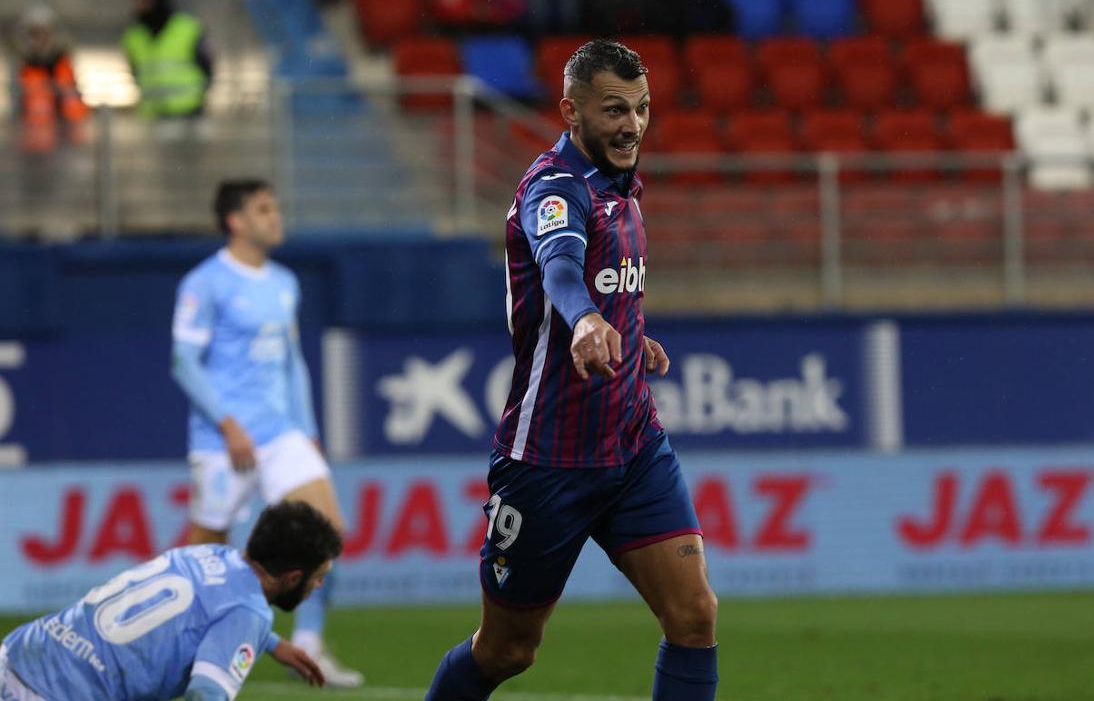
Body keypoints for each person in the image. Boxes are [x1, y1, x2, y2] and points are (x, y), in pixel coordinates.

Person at [423, 39, 719, 701]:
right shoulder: (552, 189)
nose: (632, 125)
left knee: (695, 615)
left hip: (633, 445)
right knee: (507, 651)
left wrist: (624, 333)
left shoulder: (623, 193)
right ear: (570, 111)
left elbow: (596, 284)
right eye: (615, 109)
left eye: (642, 109)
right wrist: (586, 320)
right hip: (548, 459)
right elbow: (559, 266)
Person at [169, 178, 364, 688]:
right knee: (199, 558)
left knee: (329, 531)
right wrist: (228, 424)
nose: (275, 217)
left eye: (275, 207)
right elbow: (183, 362)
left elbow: (292, 361)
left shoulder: (284, 282)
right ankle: (175, 647)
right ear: (235, 221)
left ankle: (313, 644)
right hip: (223, 440)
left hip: (280, 434)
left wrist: (309, 429)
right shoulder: (203, 283)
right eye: (263, 209)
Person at [0, 501, 341, 701]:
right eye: (318, 576)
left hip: (20, 652)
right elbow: (204, 694)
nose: (320, 584)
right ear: (293, 577)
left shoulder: (208, 552)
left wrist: (269, 642)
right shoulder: (248, 613)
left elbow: (206, 608)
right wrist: (255, 631)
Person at [121, 0, 212, 119]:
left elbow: (207, 66)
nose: (140, 3)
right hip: (152, 110)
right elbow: (134, 69)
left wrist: (201, 95)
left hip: (188, 108)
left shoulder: (187, 28)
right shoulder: (133, 35)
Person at [11, 4, 89, 153]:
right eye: (35, 33)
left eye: (44, 32)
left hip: (66, 142)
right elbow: (18, 108)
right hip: (33, 144)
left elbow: (76, 105)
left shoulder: (64, 65)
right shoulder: (24, 69)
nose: (40, 38)